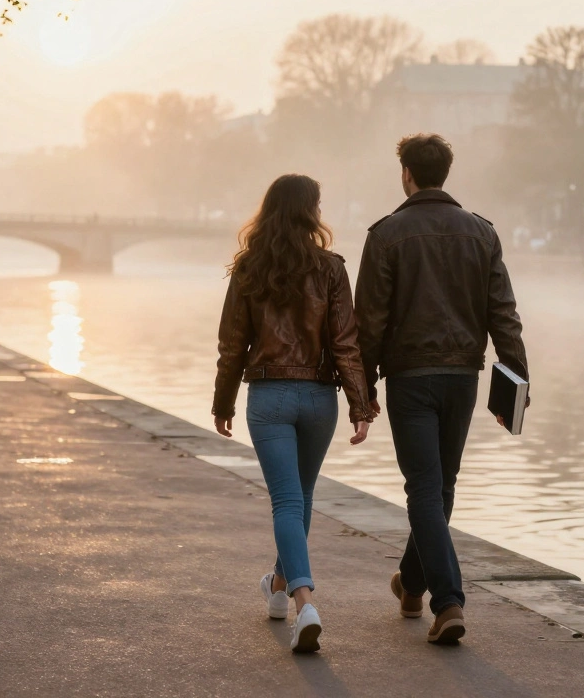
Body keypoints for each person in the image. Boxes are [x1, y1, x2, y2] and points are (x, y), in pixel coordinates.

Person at [355, 134, 529, 645]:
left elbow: (369, 322)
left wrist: (362, 389)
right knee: (441, 486)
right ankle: (411, 585)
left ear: (406, 173)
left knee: (425, 490)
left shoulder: (386, 235)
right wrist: (514, 384)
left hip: (410, 378)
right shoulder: (481, 233)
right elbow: (504, 313)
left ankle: (448, 600)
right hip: (463, 378)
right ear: (445, 174)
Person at [212, 174, 376, 654]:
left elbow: (231, 345)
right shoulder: (330, 268)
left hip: (268, 398)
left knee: (286, 502)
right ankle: (278, 590)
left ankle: (305, 602)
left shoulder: (249, 269)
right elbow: (347, 342)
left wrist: (223, 402)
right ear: (312, 211)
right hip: (319, 399)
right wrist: (359, 405)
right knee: (300, 499)